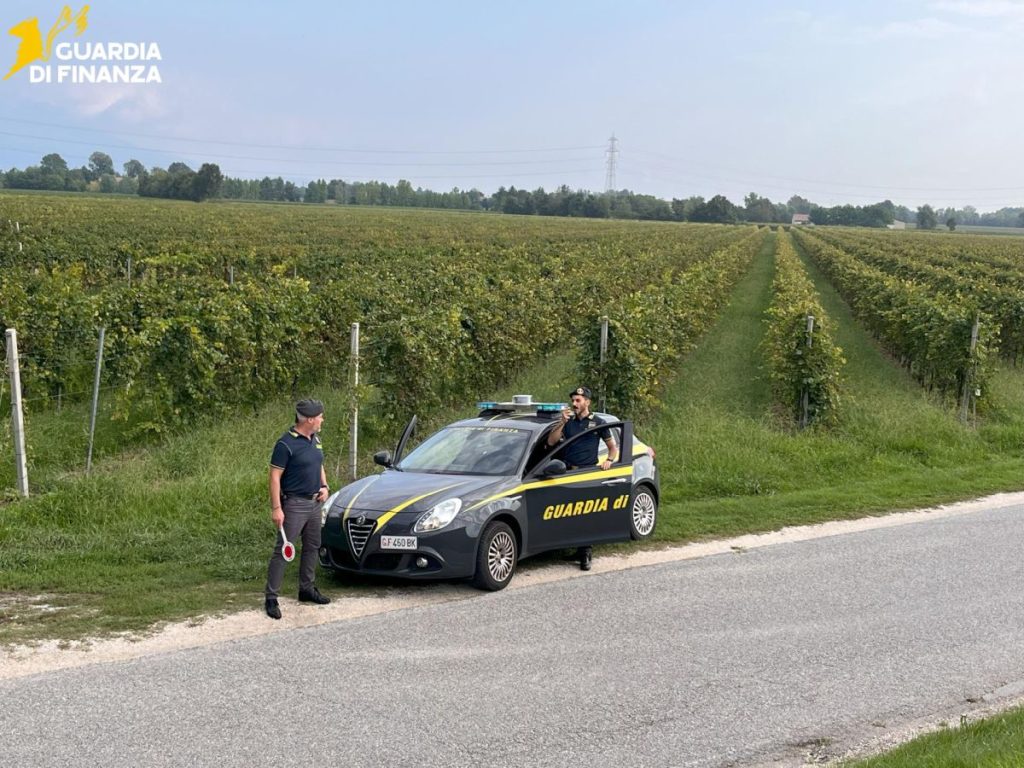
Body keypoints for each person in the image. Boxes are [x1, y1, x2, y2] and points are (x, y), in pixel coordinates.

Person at [264, 398, 332, 619]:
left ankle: (307, 589)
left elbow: (318, 464)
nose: (323, 419)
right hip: (294, 504)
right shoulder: (285, 444)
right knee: (284, 549)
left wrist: (324, 486)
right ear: (310, 419)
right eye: (320, 416)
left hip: (315, 503)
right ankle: (271, 597)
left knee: (313, 546)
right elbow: (274, 477)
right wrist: (277, 508)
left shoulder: (316, 439)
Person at [546, 386, 619, 571]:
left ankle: (585, 552)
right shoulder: (568, 422)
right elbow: (551, 442)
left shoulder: (598, 422)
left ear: (587, 402)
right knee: (568, 511)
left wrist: (609, 461)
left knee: (584, 513)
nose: (574, 403)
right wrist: (562, 422)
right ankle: (574, 548)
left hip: (587, 472)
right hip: (568, 471)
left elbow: (612, 447)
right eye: (573, 400)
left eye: (578, 400)